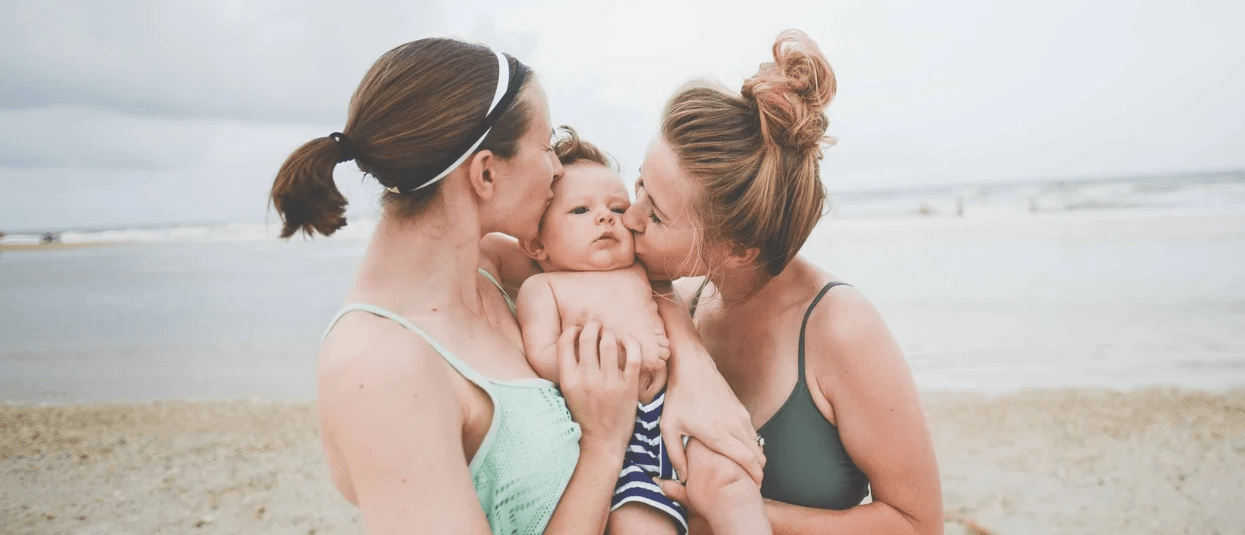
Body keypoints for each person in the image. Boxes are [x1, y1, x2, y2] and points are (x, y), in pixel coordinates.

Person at [269, 38, 763, 535]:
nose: (557, 168)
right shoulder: (380, 367)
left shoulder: (485, 268)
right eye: (546, 146)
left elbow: (629, 277)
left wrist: (696, 370)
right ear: (485, 173)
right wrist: (603, 443)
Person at [624, 30, 945, 534]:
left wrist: (735, 509)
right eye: (639, 182)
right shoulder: (680, 300)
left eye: (657, 215)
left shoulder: (840, 329)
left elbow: (917, 523)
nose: (628, 215)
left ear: (735, 248)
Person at [512, 128, 770, 535]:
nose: (605, 218)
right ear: (536, 245)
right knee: (638, 524)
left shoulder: (645, 273)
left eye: (617, 208)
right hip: (613, 430)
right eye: (580, 211)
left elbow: (676, 316)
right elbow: (542, 355)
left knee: (731, 487)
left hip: (674, 414)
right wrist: (619, 358)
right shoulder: (543, 288)